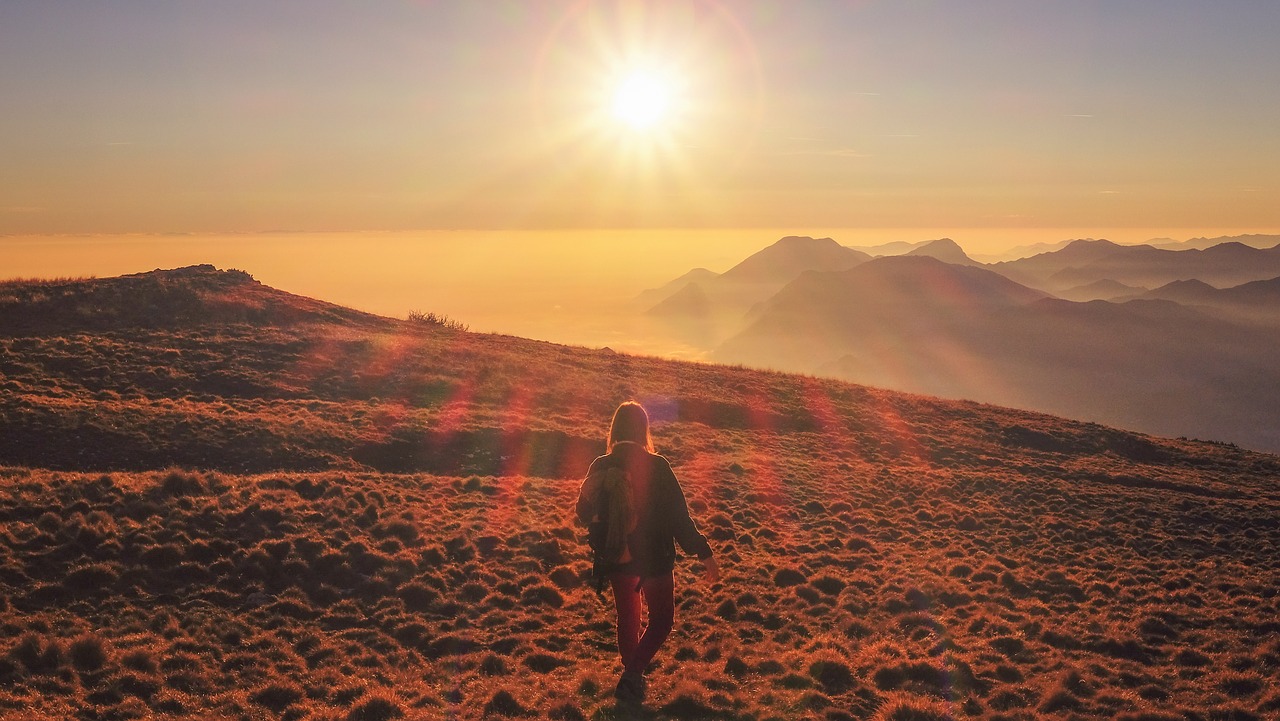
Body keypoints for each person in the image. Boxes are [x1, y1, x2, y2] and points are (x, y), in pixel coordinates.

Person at [575, 400, 720, 704]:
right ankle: (632, 675)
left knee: (628, 618)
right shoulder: (658, 466)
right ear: (644, 430)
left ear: (614, 429)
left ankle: (632, 680)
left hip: (615, 556)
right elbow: (679, 518)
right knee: (662, 620)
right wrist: (704, 553)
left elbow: (582, 512)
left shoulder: (600, 465)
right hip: (654, 560)